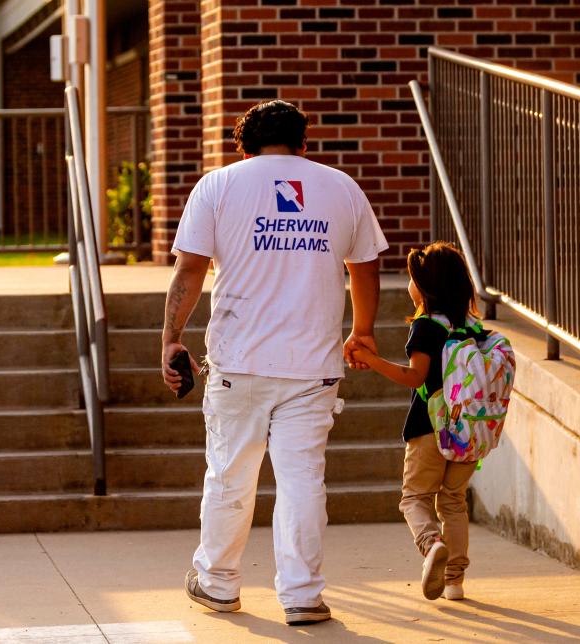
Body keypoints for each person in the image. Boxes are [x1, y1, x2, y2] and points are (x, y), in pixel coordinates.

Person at [161, 100, 388, 625]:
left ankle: (217, 583)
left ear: (242, 145)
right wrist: (363, 332)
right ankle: (303, 595)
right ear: (303, 143)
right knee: (303, 479)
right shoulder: (340, 187)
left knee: (230, 476)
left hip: (240, 361)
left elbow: (190, 271)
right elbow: (367, 266)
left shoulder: (217, 186)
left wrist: (172, 338)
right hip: (313, 365)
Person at [349, 241, 480, 602]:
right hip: (468, 431)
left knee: (414, 499)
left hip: (430, 429)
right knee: (453, 500)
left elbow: (415, 377)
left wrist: (371, 360)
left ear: (426, 288)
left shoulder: (427, 326)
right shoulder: (471, 326)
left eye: (412, 279)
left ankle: (431, 543)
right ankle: (454, 580)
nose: (408, 284)